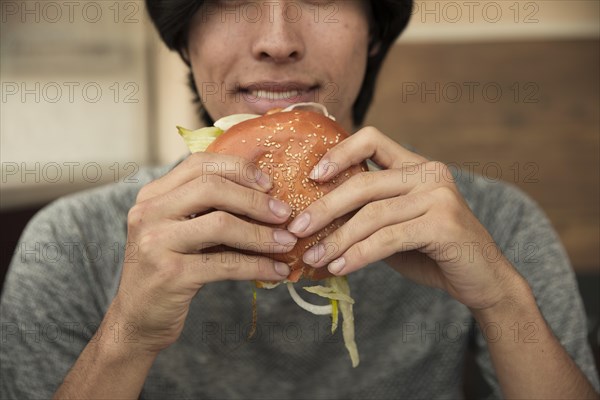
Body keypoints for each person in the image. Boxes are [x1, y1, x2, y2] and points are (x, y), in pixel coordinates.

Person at [1, 0, 599, 398]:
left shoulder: (490, 220)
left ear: (374, 34)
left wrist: (502, 300)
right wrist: (127, 336)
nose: (278, 41)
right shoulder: (71, 239)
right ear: (184, 38)